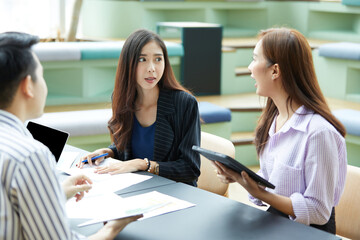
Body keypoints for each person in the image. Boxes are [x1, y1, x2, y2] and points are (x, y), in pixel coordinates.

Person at [0, 32, 140, 240]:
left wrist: (54, 193)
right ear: (27, 85)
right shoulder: (31, 156)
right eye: (42, 75)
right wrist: (112, 227)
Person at [213, 28, 347, 234]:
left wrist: (258, 192)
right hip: (278, 225)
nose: (249, 67)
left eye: (255, 59)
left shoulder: (319, 133)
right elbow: (272, 181)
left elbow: (319, 211)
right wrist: (241, 178)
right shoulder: (273, 120)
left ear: (275, 71)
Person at [77, 29, 201, 187]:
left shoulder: (184, 103)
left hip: (174, 192)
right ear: (128, 64)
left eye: (158, 59)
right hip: (136, 190)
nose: (151, 68)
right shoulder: (122, 99)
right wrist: (108, 152)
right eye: (142, 59)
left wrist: (144, 165)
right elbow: (128, 147)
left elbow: (190, 169)